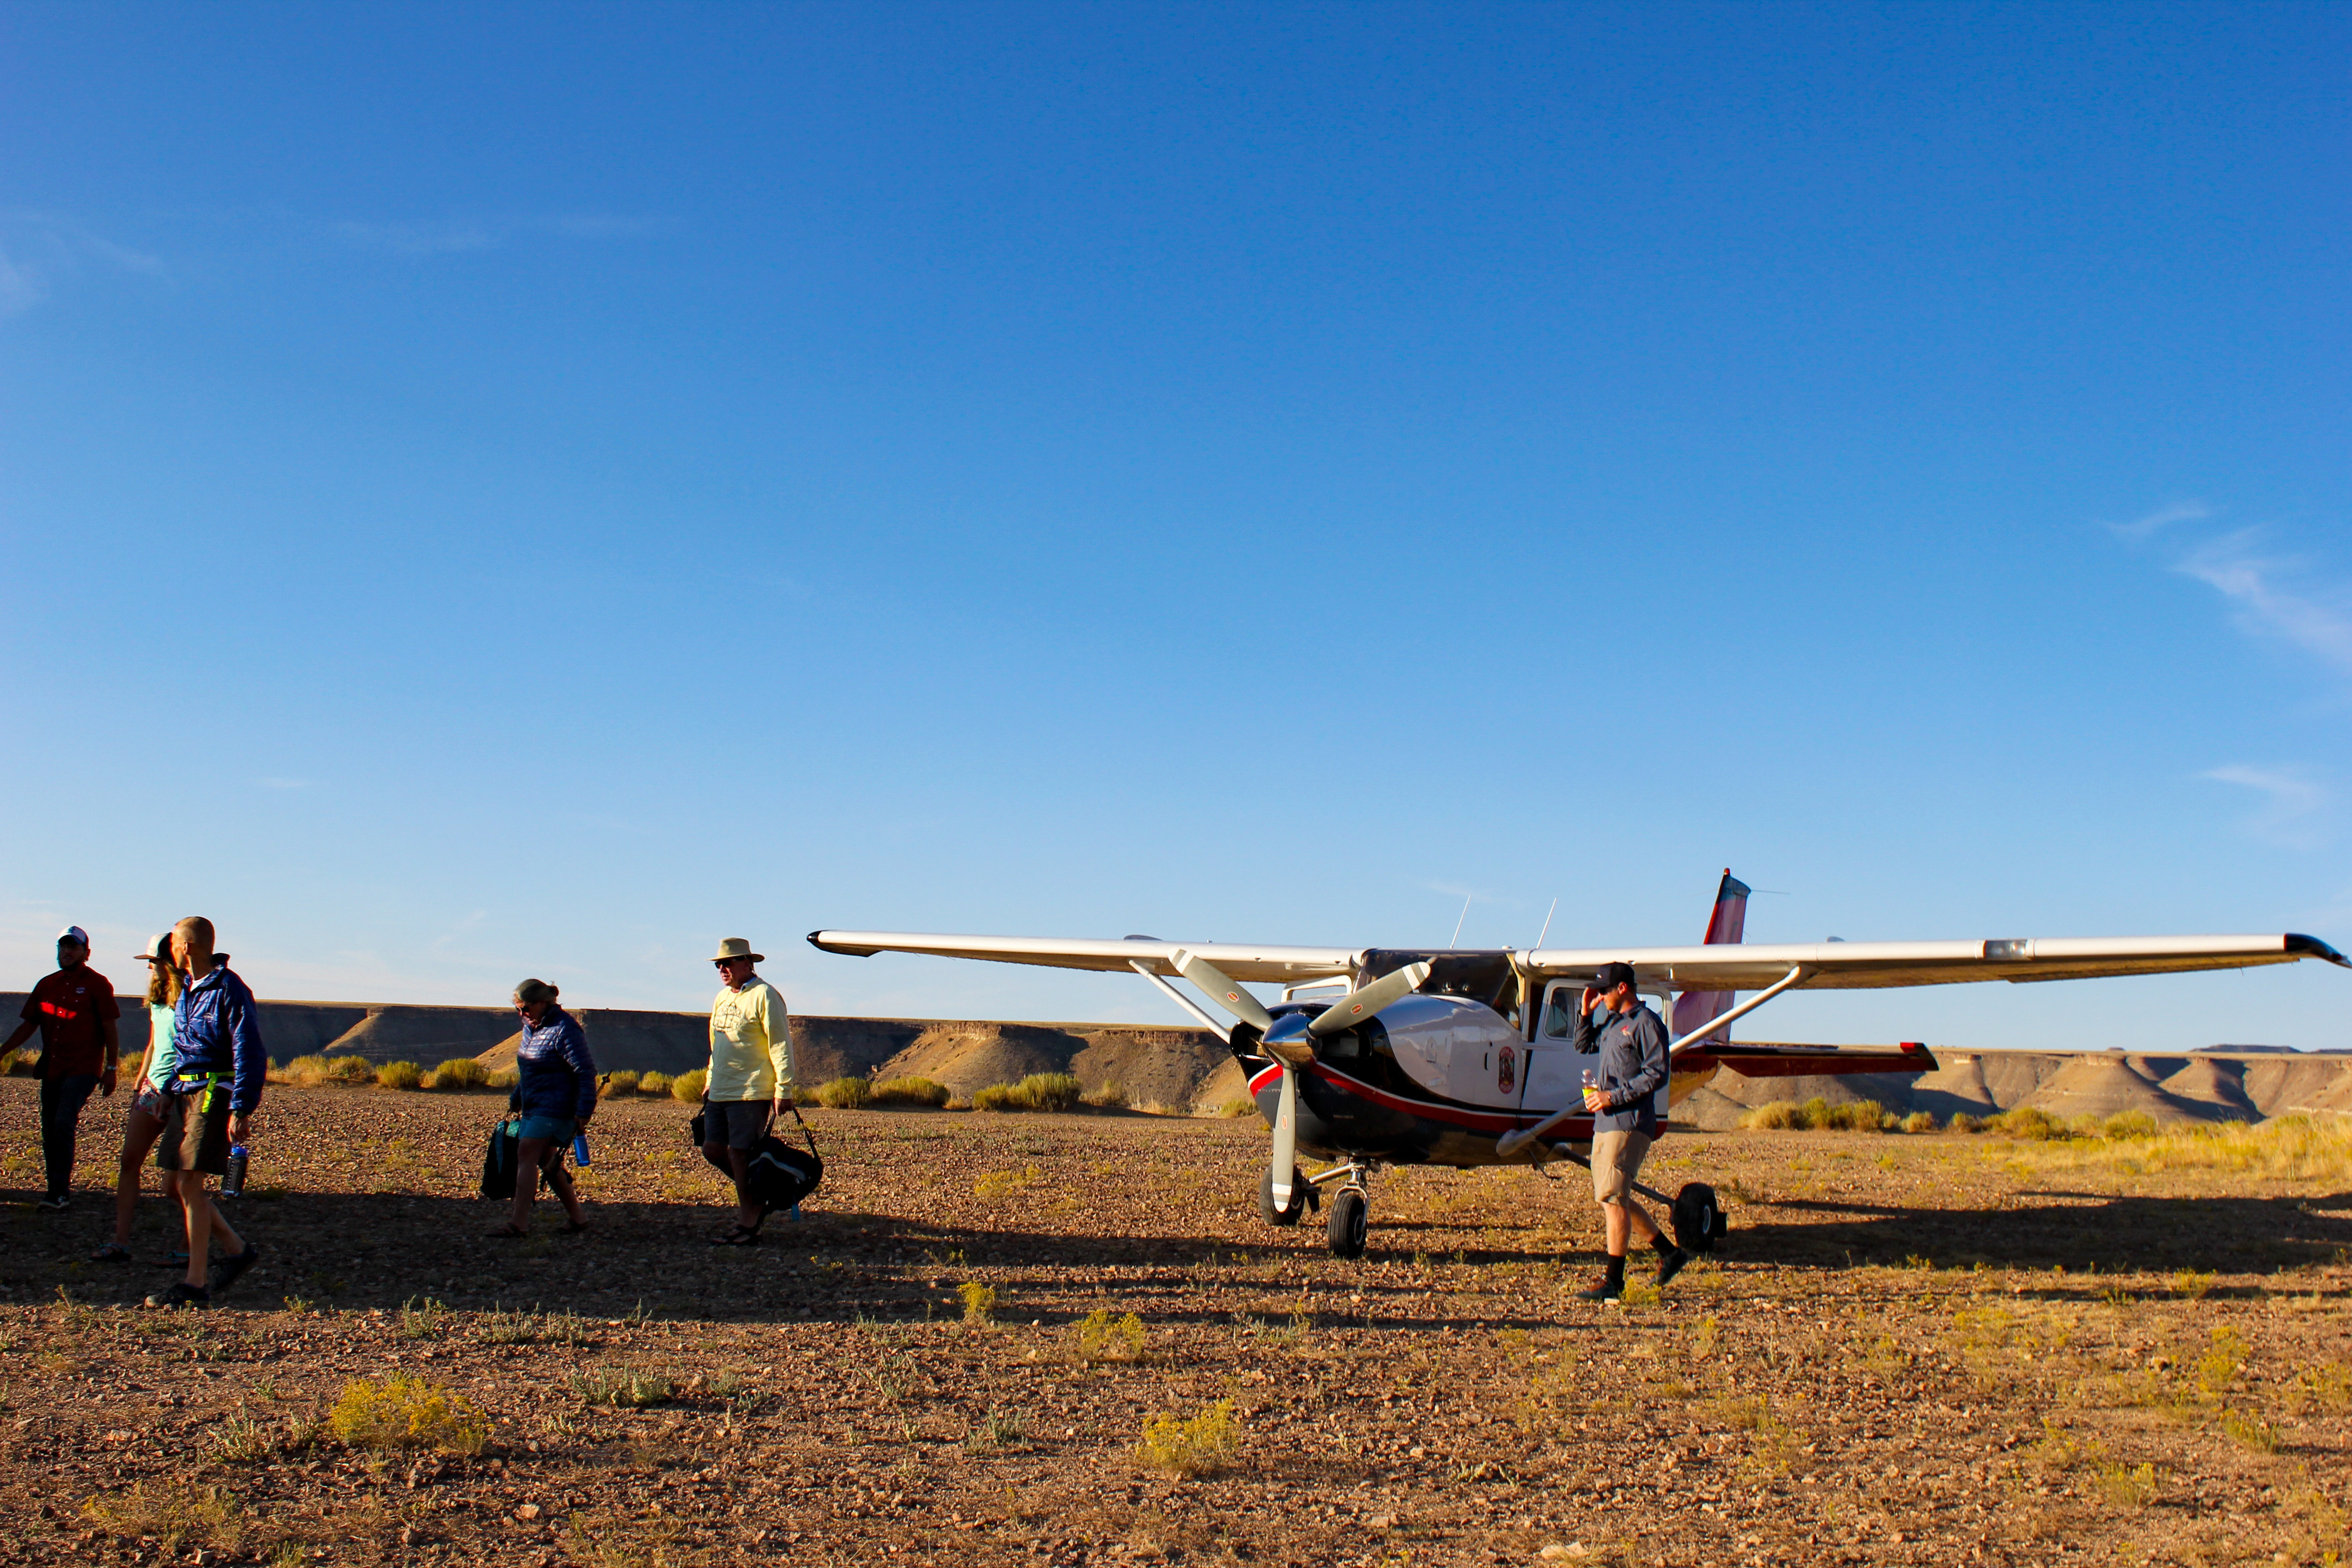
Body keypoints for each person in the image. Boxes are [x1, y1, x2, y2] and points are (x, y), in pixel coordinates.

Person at [95, 935, 238, 1263]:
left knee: (179, 1182)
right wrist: (139, 1085)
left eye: (154, 961)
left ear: (170, 962)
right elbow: (154, 1043)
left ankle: (193, 1248)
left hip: (184, 1091)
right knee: (130, 1161)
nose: (149, 968)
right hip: (152, 1089)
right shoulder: (159, 999)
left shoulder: (194, 997)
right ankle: (120, 1241)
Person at [147, 917, 264, 1309]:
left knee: (190, 1185)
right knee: (174, 1185)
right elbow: (183, 1046)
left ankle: (194, 1286)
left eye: (175, 946)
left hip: (215, 1090)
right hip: (185, 1090)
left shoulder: (229, 989)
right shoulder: (188, 991)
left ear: (188, 946)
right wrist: (167, 1090)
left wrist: (242, 1107)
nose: (171, 955)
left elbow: (248, 1048)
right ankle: (237, 1250)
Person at [1571, 960, 1688, 1301]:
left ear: (1622, 988)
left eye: (1605, 991)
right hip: (1606, 1121)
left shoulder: (1646, 1024)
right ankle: (1670, 1254)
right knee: (1613, 1196)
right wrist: (1584, 1014)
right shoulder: (1612, 1023)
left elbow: (1656, 1074)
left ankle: (1614, 1283)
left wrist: (1613, 1096)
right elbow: (1583, 1046)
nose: (1601, 996)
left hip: (1629, 1122)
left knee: (1612, 1197)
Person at [3, 925, 122, 1210]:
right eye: (63, 947)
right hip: (53, 1068)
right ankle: (54, 1189)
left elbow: (109, 1027)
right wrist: (3, 1051)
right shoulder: (47, 984)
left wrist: (113, 1067)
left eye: (73, 947)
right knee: (49, 1128)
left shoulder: (98, 984)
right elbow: (29, 1024)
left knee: (63, 1122)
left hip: (83, 1068)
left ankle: (60, 1192)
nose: (67, 952)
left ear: (86, 953)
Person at [701, 937, 796, 1245]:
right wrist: (709, 1079)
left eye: (728, 963)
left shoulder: (765, 995)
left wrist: (784, 1088)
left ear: (747, 964)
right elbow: (717, 1047)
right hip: (720, 1089)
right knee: (713, 1149)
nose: (722, 969)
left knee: (740, 1154)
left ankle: (748, 1222)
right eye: (719, 965)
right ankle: (758, 1197)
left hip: (751, 1091)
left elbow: (780, 1043)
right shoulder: (721, 999)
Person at [495, 978, 594, 1237]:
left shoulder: (565, 1029)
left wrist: (584, 1113)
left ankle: (518, 1223)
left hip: (557, 1107)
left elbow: (585, 1072)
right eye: (518, 1009)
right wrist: (517, 1097)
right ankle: (578, 1218)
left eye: (525, 1008)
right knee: (545, 1160)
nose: (522, 1014)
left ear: (542, 1003)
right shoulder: (531, 1027)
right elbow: (528, 1068)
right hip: (533, 1105)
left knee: (527, 1152)